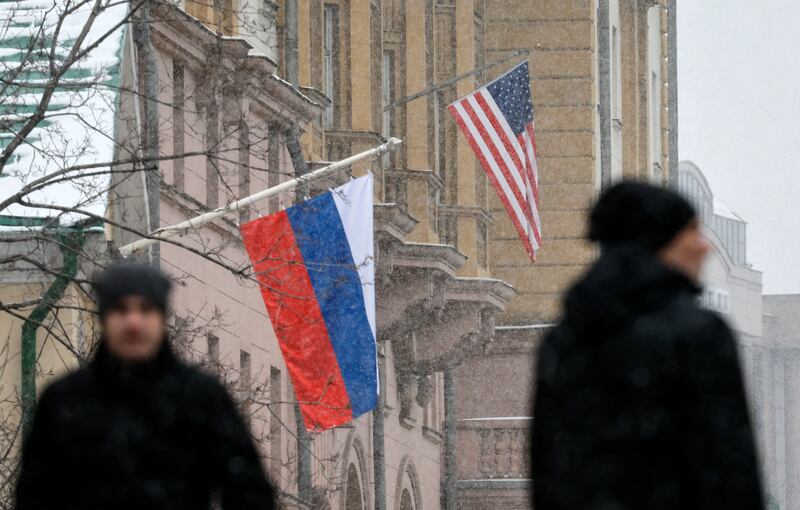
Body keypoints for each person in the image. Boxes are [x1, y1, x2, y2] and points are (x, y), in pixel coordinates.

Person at [531, 182, 764, 510]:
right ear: (659, 243)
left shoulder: (564, 341)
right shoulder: (699, 334)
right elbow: (730, 471)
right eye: (692, 232)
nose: (705, 247)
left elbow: (548, 473)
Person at [16, 263, 276, 510]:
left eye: (145, 309)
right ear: (104, 318)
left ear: (161, 317)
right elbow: (34, 494)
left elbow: (249, 492)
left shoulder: (201, 398)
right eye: (121, 309)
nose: (133, 322)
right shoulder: (65, 401)